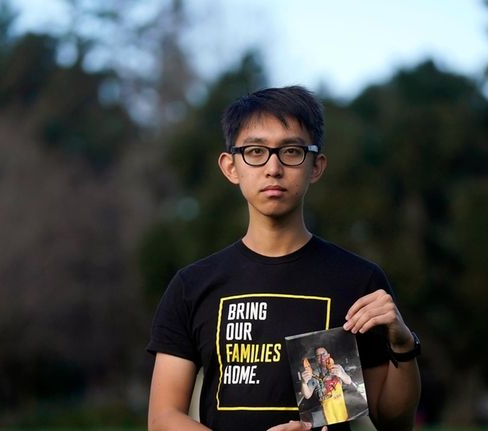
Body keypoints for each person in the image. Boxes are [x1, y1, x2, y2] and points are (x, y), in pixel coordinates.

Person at [147, 86, 421, 431]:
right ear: (230, 166)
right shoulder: (193, 285)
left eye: (291, 151)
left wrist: (403, 344)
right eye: (256, 151)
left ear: (316, 165)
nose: (273, 167)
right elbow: (162, 419)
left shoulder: (357, 280)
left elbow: (392, 422)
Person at [300, 347, 353, 425]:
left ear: (328, 355)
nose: (322, 357)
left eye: (323, 354)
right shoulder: (315, 374)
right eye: (318, 356)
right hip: (328, 413)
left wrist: (341, 374)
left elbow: (348, 381)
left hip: (342, 407)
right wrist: (303, 382)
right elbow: (307, 395)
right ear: (316, 359)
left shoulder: (337, 367)